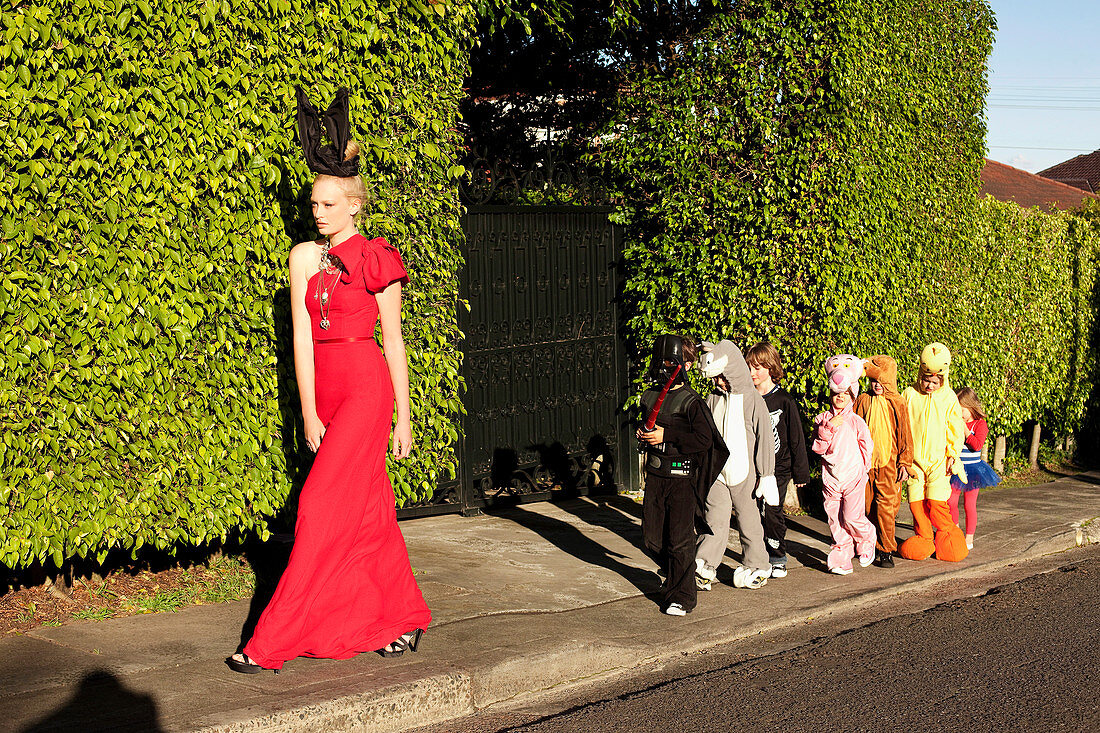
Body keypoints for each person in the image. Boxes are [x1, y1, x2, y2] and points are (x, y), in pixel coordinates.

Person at [227, 88, 430, 674]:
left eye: (328, 204)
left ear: (353, 206)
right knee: (368, 514)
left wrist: (405, 418)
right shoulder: (302, 258)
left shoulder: (378, 260)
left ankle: (269, 642)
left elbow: (393, 342)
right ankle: (397, 621)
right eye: (314, 203)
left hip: (367, 392)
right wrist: (309, 412)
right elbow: (299, 339)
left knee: (316, 505)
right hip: (328, 395)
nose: (317, 212)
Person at [637, 334, 728, 616]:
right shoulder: (650, 396)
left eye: (670, 361)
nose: (663, 367)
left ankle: (683, 596)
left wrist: (669, 435)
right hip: (655, 475)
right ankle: (676, 575)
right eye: (659, 360)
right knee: (652, 537)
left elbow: (705, 439)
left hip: (681, 478)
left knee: (679, 539)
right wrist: (644, 434)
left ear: (686, 365)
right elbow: (647, 428)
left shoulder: (691, 402)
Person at [694, 340, 776, 591]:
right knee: (714, 519)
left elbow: (764, 439)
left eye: (723, 377)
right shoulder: (713, 399)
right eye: (716, 378)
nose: (719, 383)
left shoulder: (752, 400)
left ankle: (758, 564)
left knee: (749, 521)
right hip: (717, 474)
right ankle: (704, 564)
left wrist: (767, 474)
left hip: (745, 474)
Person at [898, 343, 969, 563]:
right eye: (926, 379)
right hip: (914, 462)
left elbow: (955, 429)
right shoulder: (909, 394)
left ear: (943, 379)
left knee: (937, 504)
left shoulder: (948, 398)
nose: (929, 385)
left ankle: (949, 536)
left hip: (939, 461)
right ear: (921, 374)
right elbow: (901, 425)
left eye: (935, 381)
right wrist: (903, 458)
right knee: (916, 504)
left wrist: (952, 454)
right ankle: (924, 537)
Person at [746, 342, 810, 579]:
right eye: (749, 367)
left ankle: (777, 556)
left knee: (773, 513)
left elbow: (796, 437)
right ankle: (756, 555)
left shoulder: (784, 400)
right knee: (752, 514)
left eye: (758, 368)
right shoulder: (747, 398)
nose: (753, 373)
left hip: (778, 470)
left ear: (771, 368)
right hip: (753, 466)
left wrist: (800, 472)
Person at [811, 354, 876, 575]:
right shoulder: (822, 419)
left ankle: (867, 539)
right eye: (837, 394)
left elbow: (867, 445)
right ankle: (841, 557)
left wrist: (863, 471)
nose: (840, 397)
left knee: (851, 516)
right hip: (831, 479)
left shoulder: (857, 421)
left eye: (845, 394)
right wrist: (828, 428)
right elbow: (818, 448)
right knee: (834, 520)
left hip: (853, 478)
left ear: (852, 396)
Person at [853, 355, 914, 568]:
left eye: (881, 381)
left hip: (889, 462)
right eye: (873, 381)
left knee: (886, 507)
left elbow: (905, 434)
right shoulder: (863, 400)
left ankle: (886, 548)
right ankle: (867, 544)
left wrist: (905, 462)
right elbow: (854, 427)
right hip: (866, 463)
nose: (877, 386)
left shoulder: (897, 402)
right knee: (866, 505)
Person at [950, 387, 1000, 550]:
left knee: (969, 505)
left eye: (962, 410)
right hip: (957, 469)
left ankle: (969, 537)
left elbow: (977, 445)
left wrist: (965, 431)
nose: (959, 413)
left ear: (971, 407)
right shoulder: (955, 421)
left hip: (973, 470)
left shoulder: (980, 424)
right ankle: (955, 531)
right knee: (951, 502)